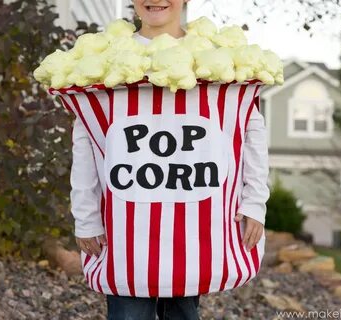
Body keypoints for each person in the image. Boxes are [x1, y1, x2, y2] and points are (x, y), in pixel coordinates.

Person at [71, 1, 270, 319]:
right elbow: (86, 138)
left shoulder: (213, 57)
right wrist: (86, 216)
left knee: (182, 310)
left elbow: (249, 129)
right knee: (129, 310)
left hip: (195, 229)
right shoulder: (110, 59)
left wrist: (254, 201)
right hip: (127, 231)